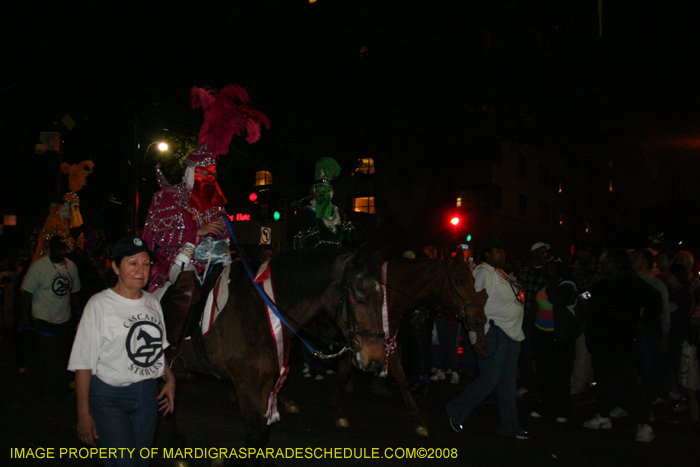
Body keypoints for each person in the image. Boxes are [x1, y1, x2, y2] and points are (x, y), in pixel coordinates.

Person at [142, 84, 269, 377]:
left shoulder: (214, 202)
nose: (209, 179)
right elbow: (157, 238)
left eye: (211, 174)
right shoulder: (168, 198)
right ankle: (170, 352)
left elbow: (222, 241)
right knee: (187, 288)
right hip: (175, 261)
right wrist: (196, 234)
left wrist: (224, 234)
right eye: (204, 174)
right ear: (189, 173)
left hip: (212, 260)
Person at [68, 236, 175, 466]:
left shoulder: (152, 303)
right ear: (115, 267)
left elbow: (156, 348)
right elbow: (83, 363)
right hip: (109, 398)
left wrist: (170, 378)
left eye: (146, 264)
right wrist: (83, 413)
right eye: (133, 263)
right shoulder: (99, 305)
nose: (141, 270)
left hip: (147, 395)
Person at [446, 238, 529, 439]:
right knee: (490, 379)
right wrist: (478, 337)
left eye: (503, 251)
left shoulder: (499, 273)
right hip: (494, 332)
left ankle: (510, 427)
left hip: (510, 333)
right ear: (488, 254)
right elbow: (477, 305)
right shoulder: (484, 272)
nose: (503, 255)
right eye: (498, 251)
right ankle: (456, 411)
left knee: (508, 383)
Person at [583, 248, 662, 442]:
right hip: (601, 341)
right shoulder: (600, 285)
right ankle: (603, 416)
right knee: (603, 382)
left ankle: (644, 423)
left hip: (621, 342)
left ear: (618, 263)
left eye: (608, 260)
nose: (604, 263)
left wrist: (643, 323)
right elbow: (586, 297)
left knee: (629, 383)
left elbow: (655, 299)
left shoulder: (630, 282)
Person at [21, 235, 82, 400]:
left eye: (60, 249)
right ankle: (59, 390)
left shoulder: (71, 267)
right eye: (54, 249)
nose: (58, 252)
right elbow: (27, 293)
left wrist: (80, 314)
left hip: (63, 318)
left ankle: (42, 385)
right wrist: (25, 319)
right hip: (43, 318)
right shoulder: (39, 267)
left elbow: (75, 292)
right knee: (52, 354)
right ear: (50, 249)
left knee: (56, 355)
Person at [530, 257, 581, 423]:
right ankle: (546, 405)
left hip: (560, 336)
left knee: (560, 373)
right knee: (544, 373)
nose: (547, 272)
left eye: (552, 269)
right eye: (547, 269)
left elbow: (558, 299)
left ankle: (563, 408)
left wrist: (552, 283)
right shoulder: (543, 284)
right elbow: (534, 306)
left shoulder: (567, 285)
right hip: (542, 334)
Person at [292, 157, 356, 249]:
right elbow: (306, 243)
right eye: (319, 193)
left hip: (339, 256)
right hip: (318, 258)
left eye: (325, 192)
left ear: (331, 194)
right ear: (315, 195)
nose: (322, 196)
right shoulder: (308, 214)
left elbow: (351, 237)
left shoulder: (340, 213)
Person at [515, 241, 549, 397]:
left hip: (544, 317)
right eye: (540, 252)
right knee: (526, 351)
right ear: (534, 253)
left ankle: (544, 385)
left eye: (544, 252)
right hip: (526, 316)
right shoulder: (524, 270)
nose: (543, 255)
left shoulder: (549, 271)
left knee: (543, 352)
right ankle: (525, 383)